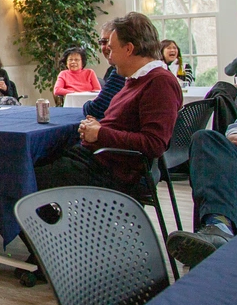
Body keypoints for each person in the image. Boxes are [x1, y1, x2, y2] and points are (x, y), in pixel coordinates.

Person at [33, 12, 182, 198]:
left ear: (128, 49)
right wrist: (96, 129)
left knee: (25, 178)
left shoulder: (159, 82)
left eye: (111, 49)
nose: (109, 56)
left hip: (114, 171)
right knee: (31, 162)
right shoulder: (137, 79)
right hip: (102, 160)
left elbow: (154, 144)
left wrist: (100, 133)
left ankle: (43, 225)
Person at [166, 63, 237, 268]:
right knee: (205, 139)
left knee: (215, 185)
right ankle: (219, 229)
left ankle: (218, 232)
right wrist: (235, 136)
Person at [82, 23, 126, 120]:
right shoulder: (113, 70)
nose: (108, 47)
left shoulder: (123, 71)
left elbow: (97, 109)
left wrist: (88, 103)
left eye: (110, 42)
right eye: (103, 42)